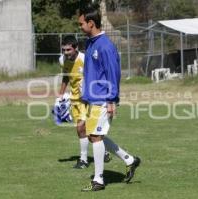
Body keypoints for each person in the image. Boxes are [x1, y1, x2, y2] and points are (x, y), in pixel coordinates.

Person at [78, 5, 141, 191]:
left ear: (91, 23)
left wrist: (112, 99)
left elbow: (113, 74)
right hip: (92, 98)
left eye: (81, 24)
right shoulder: (90, 43)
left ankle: (98, 180)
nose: (79, 27)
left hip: (104, 99)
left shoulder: (105, 46)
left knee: (96, 136)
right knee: (94, 136)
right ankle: (130, 160)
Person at [58, 36, 111, 168]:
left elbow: (96, 74)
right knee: (83, 130)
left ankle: (83, 160)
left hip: (87, 98)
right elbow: (66, 77)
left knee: (82, 127)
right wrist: (61, 93)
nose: (66, 53)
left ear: (76, 48)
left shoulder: (84, 59)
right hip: (74, 99)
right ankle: (103, 151)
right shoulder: (62, 60)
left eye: (68, 50)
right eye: (64, 50)